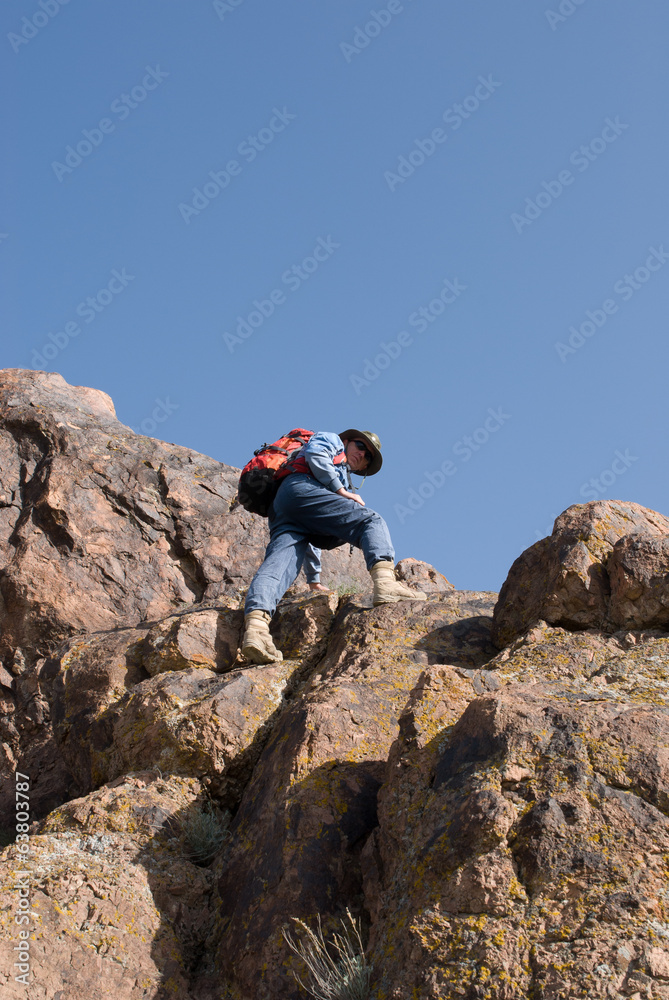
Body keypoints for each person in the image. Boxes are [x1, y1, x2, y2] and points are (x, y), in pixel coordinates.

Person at [241, 428, 427, 664]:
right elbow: (316, 455)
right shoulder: (331, 439)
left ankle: (256, 630)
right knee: (371, 520)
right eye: (361, 446)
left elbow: (311, 527)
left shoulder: (336, 472)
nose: (363, 456)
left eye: (368, 457)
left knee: (279, 565)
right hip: (300, 487)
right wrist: (341, 492)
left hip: (285, 506)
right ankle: (386, 583)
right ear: (347, 440)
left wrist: (314, 580)